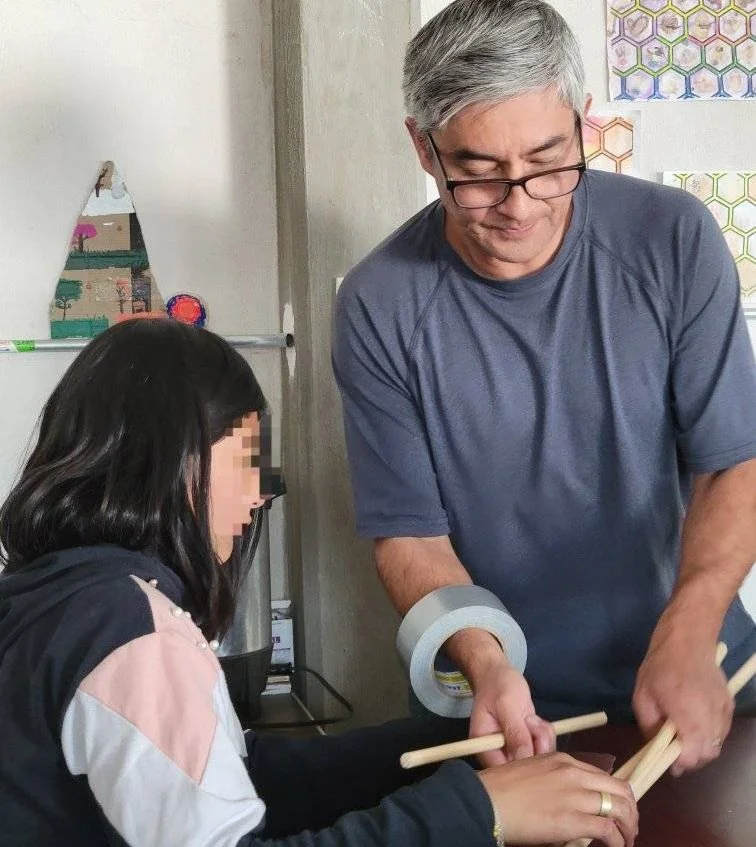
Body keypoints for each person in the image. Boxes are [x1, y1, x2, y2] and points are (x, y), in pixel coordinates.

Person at [0, 318, 638, 847]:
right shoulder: (130, 631)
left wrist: (447, 746)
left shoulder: (56, 602)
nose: (258, 495)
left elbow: (241, 776)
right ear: (175, 453)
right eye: (247, 457)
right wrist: (482, 812)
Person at [332, 0, 756, 778]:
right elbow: (409, 536)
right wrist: (487, 665)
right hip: (503, 712)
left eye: (549, 161)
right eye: (480, 175)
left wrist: (690, 627)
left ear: (585, 124)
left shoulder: (674, 239)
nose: (521, 204)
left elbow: (734, 462)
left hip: (694, 670)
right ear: (424, 149)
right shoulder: (380, 301)